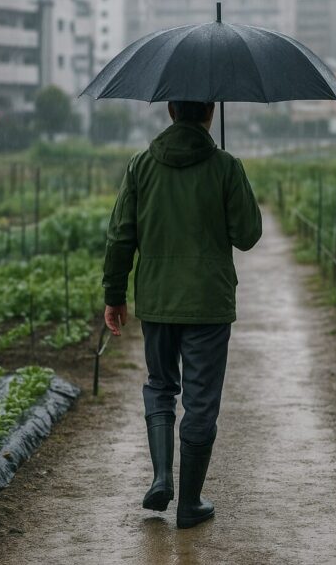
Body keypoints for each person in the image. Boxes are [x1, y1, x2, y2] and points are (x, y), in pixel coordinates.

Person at [101, 100, 262, 529]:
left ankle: (160, 477)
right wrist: (231, 180)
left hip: (157, 301)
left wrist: (114, 295)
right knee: (201, 401)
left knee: (160, 385)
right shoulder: (225, 166)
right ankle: (189, 503)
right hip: (208, 303)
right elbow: (247, 234)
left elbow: (120, 236)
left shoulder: (141, 165)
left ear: (170, 109)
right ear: (210, 111)